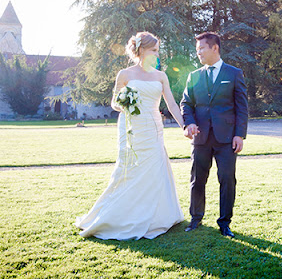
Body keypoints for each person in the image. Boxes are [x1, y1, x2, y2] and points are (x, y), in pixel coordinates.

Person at [75, 32, 185, 240]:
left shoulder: (160, 76)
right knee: (129, 170)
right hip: (131, 128)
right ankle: (118, 215)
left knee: (153, 169)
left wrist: (184, 126)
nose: (156, 54)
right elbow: (114, 103)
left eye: (157, 51)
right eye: (154, 50)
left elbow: (171, 104)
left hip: (153, 129)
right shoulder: (124, 74)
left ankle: (156, 216)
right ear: (141, 50)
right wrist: (126, 100)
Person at [181, 32, 248, 239]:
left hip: (226, 139)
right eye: (197, 50)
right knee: (197, 179)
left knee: (227, 180)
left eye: (201, 49)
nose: (198, 53)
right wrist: (189, 122)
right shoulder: (194, 76)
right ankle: (196, 218)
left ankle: (225, 223)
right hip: (200, 138)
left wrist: (239, 135)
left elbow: (242, 108)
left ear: (215, 48)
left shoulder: (234, 73)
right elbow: (186, 104)